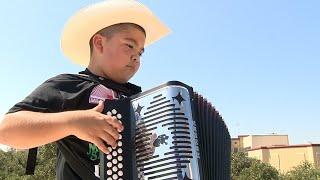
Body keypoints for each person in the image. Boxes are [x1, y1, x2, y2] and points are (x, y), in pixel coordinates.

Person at [0, 0, 170, 179]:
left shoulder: (137, 99)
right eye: (129, 45)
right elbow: (6, 130)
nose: (136, 56)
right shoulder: (68, 85)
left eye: (141, 52)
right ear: (99, 43)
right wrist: (73, 122)